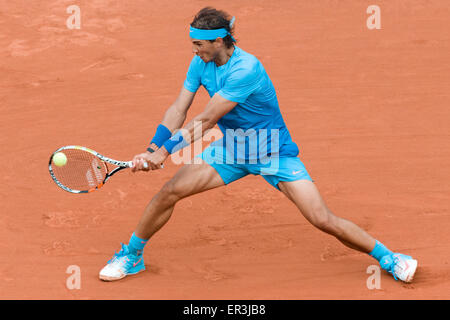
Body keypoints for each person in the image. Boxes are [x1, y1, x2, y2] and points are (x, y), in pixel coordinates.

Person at [99, 7, 418, 283]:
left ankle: (390, 258)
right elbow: (179, 108)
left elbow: (206, 120)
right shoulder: (200, 63)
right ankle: (132, 255)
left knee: (322, 219)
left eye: (199, 44)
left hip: (272, 152)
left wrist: (165, 152)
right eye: (193, 44)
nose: (195, 50)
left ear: (218, 41)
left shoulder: (247, 68)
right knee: (169, 192)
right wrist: (154, 145)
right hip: (232, 150)